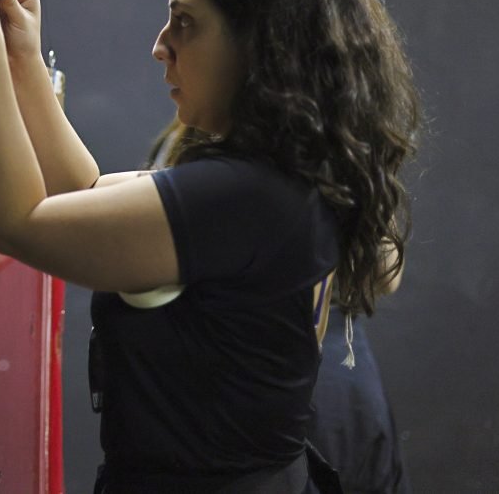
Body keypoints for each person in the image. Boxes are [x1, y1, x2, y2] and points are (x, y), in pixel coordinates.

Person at [0, 0, 421, 492]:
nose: (162, 46)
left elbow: (22, 225)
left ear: (260, 42)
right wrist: (25, 62)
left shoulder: (241, 196)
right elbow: (83, 195)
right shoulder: (271, 181)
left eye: (185, 23)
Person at [148, 119, 411, 493]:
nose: (163, 57)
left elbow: (384, 273)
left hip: (293, 380)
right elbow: (384, 275)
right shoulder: (331, 136)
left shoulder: (294, 140)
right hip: (322, 380)